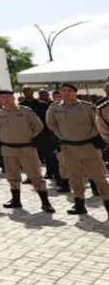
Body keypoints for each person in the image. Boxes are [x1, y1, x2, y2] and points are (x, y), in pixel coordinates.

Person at [45, 83, 109, 217]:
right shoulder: (55, 108)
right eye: (63, 90)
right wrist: (60, 135)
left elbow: (98, 124)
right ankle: (79, 206)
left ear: (75, 92)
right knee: (75, 179)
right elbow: (51, 124)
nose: (66, 93)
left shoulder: (87, 107)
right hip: (69, 149)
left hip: (89, 147)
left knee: (100, 178)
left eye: (69, 90)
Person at [0, 90, 55, 213]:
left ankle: (45, 203)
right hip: (8, 149)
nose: (5, 100)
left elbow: (38, 126)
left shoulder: (25, 111)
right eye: (2, 97)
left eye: (8, 97)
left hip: (26, 148)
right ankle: (16, 200)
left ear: (13, 98)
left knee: (35, 175)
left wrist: (28, 136)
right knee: (12, 176)